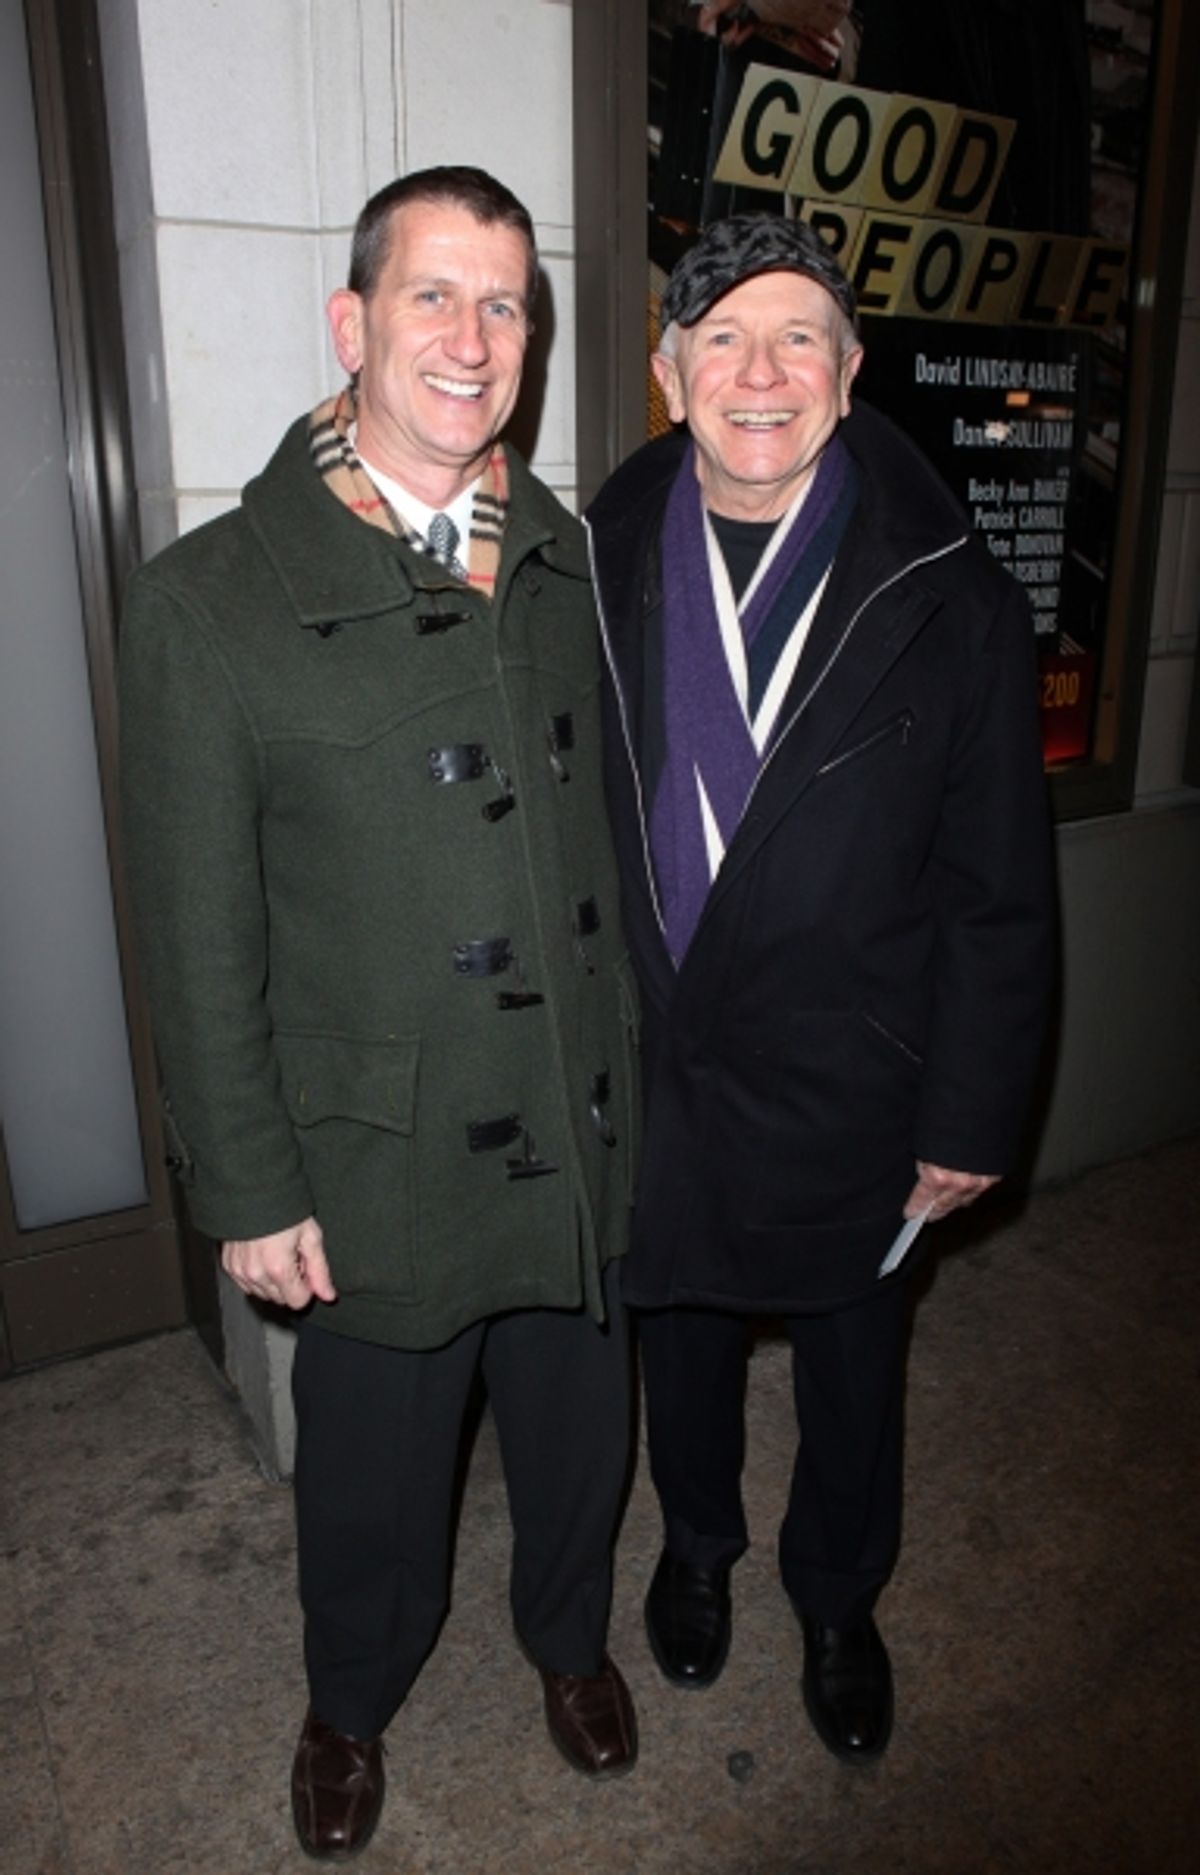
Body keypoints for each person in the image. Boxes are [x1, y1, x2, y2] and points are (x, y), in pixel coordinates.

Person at [120, 167, 639, 1863]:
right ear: (350, 325)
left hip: (572, 1119)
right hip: (378, 1153)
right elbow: (195, 935)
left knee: (578, 1437)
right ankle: (350, 1699)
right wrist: (248, 1184)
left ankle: (568, 1641)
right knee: (371, 1488)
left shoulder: (565, 560)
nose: (472, 340)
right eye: (434, 295)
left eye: (506, 306)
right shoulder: (208, 602)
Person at [587, 215, 1055, 1763]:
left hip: (860, 1070)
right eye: (722, 337)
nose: (761, 371)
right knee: (688, 1337)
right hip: (669, 1060)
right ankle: (700, 1545)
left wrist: (973, 1107)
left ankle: (840, 1593)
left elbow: (999, 891)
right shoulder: (591, 560)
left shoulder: (953, 596)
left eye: (800, 338)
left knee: (857, 1362)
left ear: (850, 376)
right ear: (668, 376)